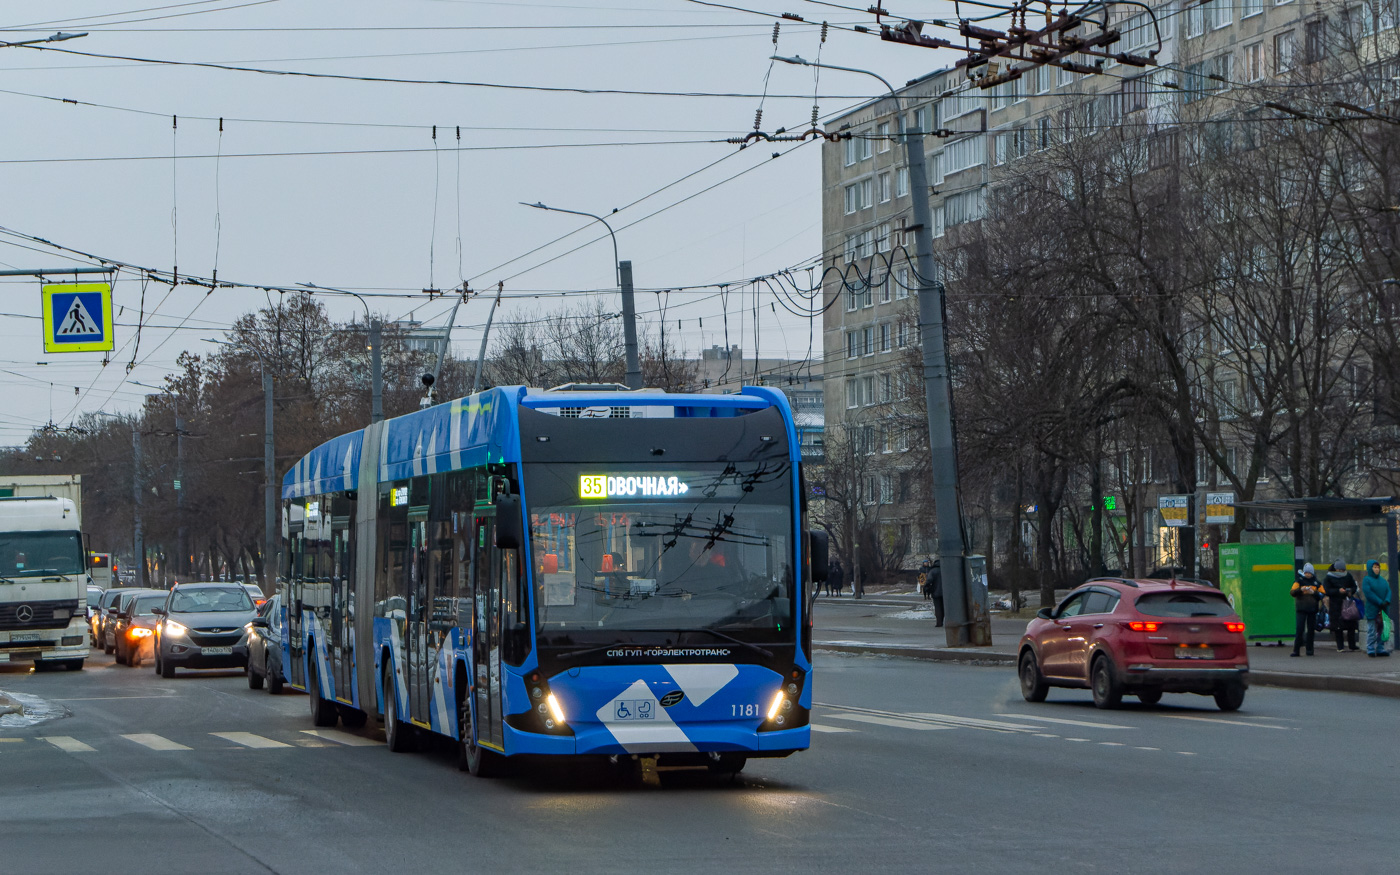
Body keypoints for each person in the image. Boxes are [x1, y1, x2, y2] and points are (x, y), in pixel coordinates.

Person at [1322, 559, 1361, 651]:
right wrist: (1337, 591)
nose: (1342, 572)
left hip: (1347, 603)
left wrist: (1350, 591)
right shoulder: (1329, 578)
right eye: (1340, 570)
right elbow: (1326, 590)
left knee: (1351, 625)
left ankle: (1352, 645)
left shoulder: (1348, 576)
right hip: (1335, 604)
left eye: (1343, 570)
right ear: (1336, 569)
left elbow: (1354, 586)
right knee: (1338, 627)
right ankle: (1340, 646)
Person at [1291, 563, 1323, 657]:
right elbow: (1292, 592)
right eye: (1306, 573)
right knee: (1299, 630)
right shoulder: (1299, 581)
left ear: (1312, 573)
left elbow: (1322, 594)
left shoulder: (1316, 583)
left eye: (1309, 573)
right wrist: (1301, 590)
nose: (1307, 575)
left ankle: (1310, 650)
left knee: (1311, 630)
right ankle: (1296, 650)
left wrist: (1313, 593)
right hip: (1301, 609)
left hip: (1312, 610)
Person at [1362, 559, 1391, 657]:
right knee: (1372, 630)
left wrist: (1387, 601)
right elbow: (1369, 593)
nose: (1377, 569)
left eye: (1378, 567)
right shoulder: (1367, 580)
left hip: (1384, 609)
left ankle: (1380, 648)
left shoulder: (1383, 580)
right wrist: (1379, 602)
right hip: (1372, 609)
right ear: (1370, 568)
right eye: (1374, 567)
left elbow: (1388, 591)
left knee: (1382, 630)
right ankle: (1370, 648)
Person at [930, 559, 944, 627]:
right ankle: (945, 620)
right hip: (946, 593)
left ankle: (939, 622)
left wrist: (928, 589)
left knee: (938, 608)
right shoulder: (946, 570)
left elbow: (929, 581)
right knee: (944, 607)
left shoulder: (933, 571)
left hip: (935, 592)